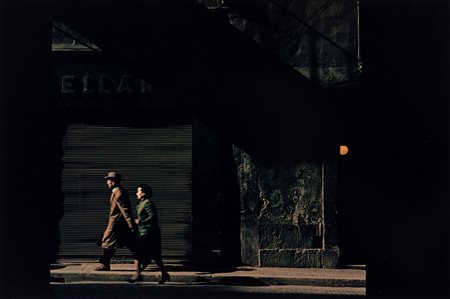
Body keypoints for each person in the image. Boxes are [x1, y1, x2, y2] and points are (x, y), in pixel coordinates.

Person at [128, 184, 170, 284]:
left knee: (137, 253)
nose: (136, 193)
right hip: (144, 232)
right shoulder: (141, 203)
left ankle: (137, 274)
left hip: (150, 234)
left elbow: (152, 216)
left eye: (138, 191)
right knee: (156, 256)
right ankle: (164, 274)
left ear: (144, 193)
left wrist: (140, 221)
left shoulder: (148, 203)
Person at [95, 171, 137, 271]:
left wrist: (131, 226)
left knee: (108, 242)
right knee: (126, 243)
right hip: (117, 223)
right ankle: (142, 257)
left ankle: (105, 263)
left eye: (108, 180)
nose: (107, 182)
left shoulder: (119, 193)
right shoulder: (116, 192)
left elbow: (125, 211)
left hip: (117, 224)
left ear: (113, 181)